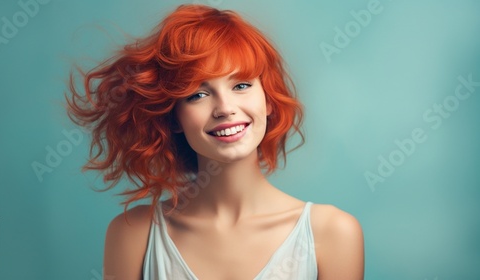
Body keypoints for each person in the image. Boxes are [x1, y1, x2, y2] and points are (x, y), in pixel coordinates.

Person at [67, 4, 364, 280]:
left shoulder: (333, 233)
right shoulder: (133, 234)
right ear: (174, 119)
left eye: (242, 85)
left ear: (269, 100)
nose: (225, 108)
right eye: (197, 94)